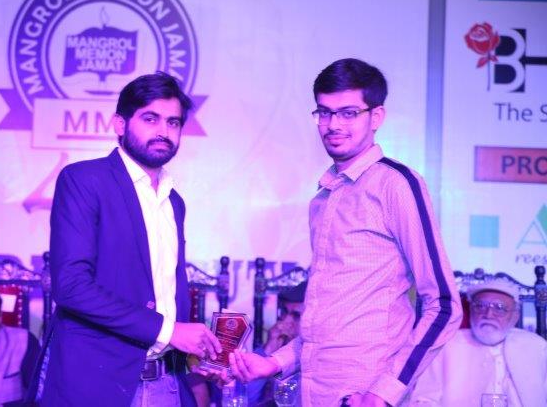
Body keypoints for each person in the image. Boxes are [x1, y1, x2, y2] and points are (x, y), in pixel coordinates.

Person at [229, 58, 462, 406]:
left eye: (348, 113)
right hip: (313, 391)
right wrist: (274, 363)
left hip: (365, 394)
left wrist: (384, 393)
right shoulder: (323, 198)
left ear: (376, 117)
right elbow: (328, 323)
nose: (333, 125)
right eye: (324, 113)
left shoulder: (396, 184)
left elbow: (444, 306)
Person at [40, 72, 221, 406]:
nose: (163, 131)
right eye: (150, 119)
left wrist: (195, 360)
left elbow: (165, 297)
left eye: (173, 122)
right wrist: (170, 331)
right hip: (97, 385)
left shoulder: (174, 201)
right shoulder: (84, 180)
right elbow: (71, 287)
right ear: (120, 124)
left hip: (166, 383)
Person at [409, 279, 547, 406]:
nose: (488, 314)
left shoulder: (536, 347)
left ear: (515, 316)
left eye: (499, 307)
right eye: (480, 306)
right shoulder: (445, 346)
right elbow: (423, 400)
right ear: (470, 310)